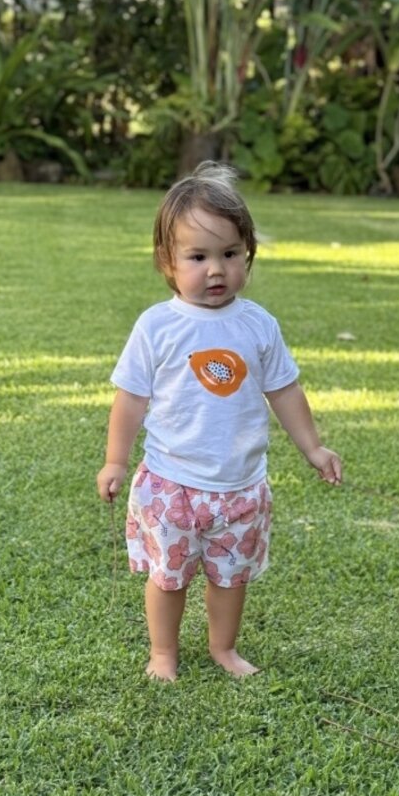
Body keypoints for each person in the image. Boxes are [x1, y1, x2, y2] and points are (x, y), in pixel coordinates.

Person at [96, 162, 342, 680]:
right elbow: (130, 399)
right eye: (199, 256)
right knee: (169, 577)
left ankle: (223, 648)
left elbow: (285, 390)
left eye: (230, 254)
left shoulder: (257, 324)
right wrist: (116, 460)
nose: (216, 270)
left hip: (240, 486)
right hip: (171, 483)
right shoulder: (157, 326)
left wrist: (314, 448)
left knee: (231, 579)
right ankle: (163, 653)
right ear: (168, 261)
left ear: (247, 255)